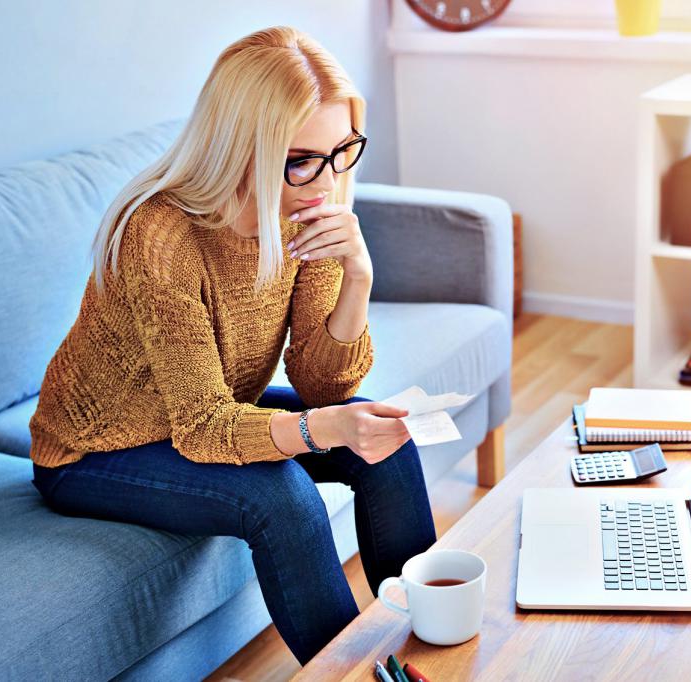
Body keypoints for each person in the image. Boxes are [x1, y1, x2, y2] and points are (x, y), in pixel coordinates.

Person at [27, 26, 436, 665]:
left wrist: (358, 278)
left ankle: (427, 648)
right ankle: (355, 675)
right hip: (94, 451)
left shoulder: (304, 207)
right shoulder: (160, 234)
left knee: (385, 441)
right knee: (283, 495)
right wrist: (324, 428)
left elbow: (324, 387)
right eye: (300, 158)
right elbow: (201, 429)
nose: (325, 180)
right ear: (241, 147)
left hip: (208, 411)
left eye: (343, 151)